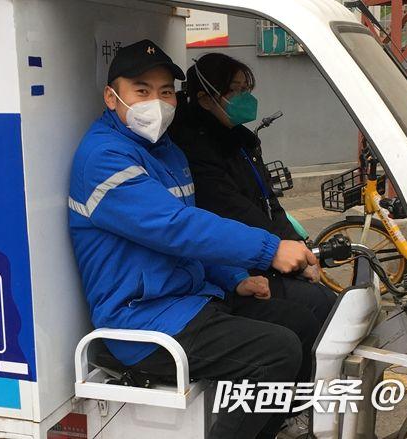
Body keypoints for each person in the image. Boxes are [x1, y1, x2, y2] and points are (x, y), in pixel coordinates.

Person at [68, 40, 323, 439]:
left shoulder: (167, 152)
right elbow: (176, 227)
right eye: (142, 91)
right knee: (276, 352)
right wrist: (269, 249)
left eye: (166, 91)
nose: (157, 102)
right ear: (111, 97)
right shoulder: (104, 158)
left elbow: (191, 235)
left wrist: (233, 277)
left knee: (302, 323)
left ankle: (270, 429)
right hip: (142, 320)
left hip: (188, 300)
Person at [169, 53, 337, 326]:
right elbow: (233, 209)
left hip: (260, 254)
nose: (245, 98)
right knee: (316, 308)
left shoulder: (241, 139)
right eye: (235, 90)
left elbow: (268, 200)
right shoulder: (194, 148)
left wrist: (296, 243)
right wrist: (277, 249)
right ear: (205, 99)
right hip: (237, 261)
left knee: (325, 302)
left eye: (246, 89)